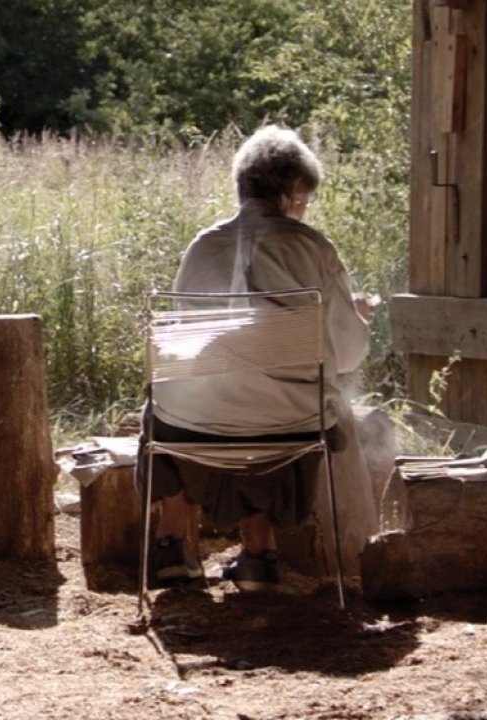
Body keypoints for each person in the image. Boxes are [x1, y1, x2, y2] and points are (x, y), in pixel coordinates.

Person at [138, 125, 375, 591]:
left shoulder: (203, 244)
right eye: (305, 196)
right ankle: (259, 554)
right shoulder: (311, 247)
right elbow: (347, 356)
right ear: (292, 190)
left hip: (190, 426)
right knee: (282, 400)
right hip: (289, 427)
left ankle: (170, 546)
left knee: (169, 406)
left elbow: (186, 342)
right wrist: (357, 317)